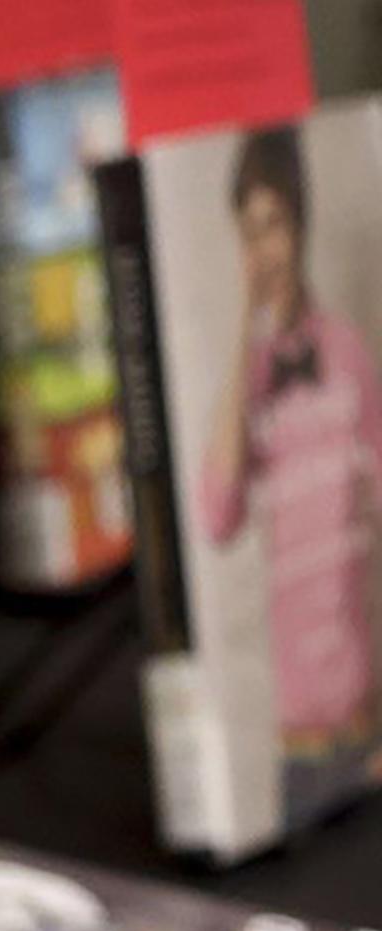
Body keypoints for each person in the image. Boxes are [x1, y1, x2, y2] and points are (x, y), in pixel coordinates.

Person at [199, 126, 382, 777]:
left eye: (273, 225)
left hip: (364, 725)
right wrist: (244, 325)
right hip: (289, 744)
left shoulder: (348, 355)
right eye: (247, 231)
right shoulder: (247, 376)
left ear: (300, 225)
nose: (263, 251)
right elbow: (216, 518)